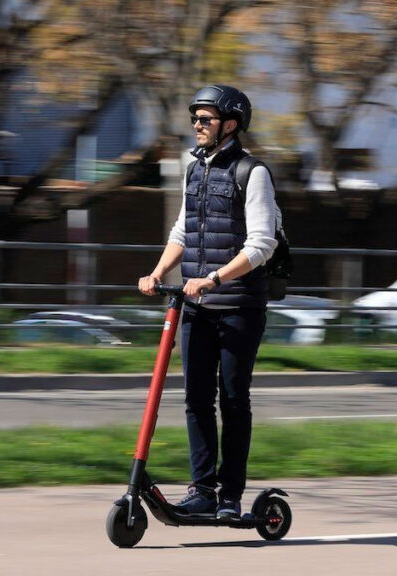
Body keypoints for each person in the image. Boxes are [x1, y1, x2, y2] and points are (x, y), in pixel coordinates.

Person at [138, 85, 278, 520]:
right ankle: (202, 490)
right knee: (196, 399)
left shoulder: (252, 173)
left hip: (240, 305)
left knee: (233, 400)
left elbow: (262, 245)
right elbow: (182, 232)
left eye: (205, 119)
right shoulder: (194, 170)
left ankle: (231, 495)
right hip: (195, 305)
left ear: (230, 124)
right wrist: (158, 273)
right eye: (194, 119)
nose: (197, 125)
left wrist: (214, 279)